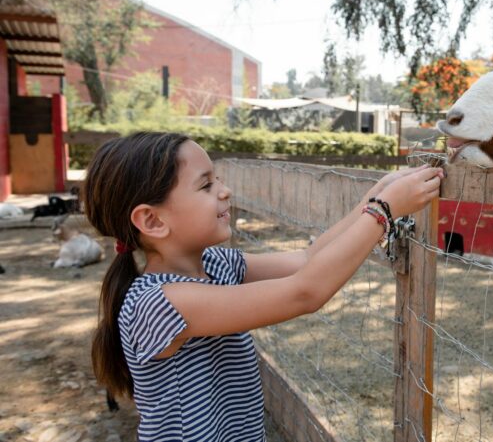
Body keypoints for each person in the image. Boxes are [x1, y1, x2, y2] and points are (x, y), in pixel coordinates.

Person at [84, 131, 443, 441]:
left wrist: (376, 195)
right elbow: (305, 292)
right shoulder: (158, 302)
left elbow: (307, 259)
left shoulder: (215, 264)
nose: (225, 191)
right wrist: (383, 213)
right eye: (206, 184)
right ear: (152, 220)